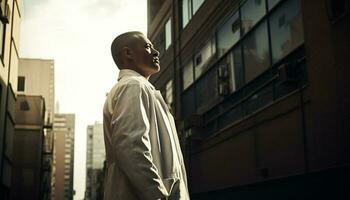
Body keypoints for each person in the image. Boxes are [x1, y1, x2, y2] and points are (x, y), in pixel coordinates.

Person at [103, 31, 190, 200]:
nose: (156, 52)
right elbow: (131, 145)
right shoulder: (133, 86)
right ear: (128, 53)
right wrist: (156, 193)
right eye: (148, 46)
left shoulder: (138, 88)